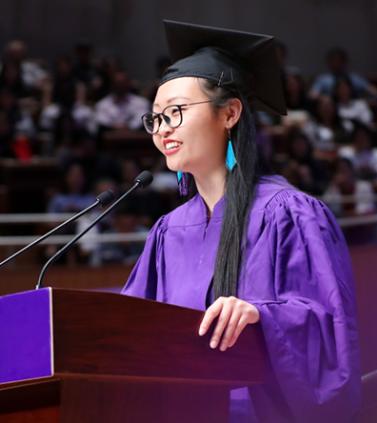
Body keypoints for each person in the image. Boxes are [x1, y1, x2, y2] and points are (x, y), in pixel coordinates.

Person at [122, 21, 361, 422]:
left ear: (230, 113)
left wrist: (261, 315)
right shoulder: (167, 233)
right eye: (156, 118)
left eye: (176, 112)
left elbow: (329, 329)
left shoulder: (291, 215)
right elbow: (129, 325)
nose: (162, 130)